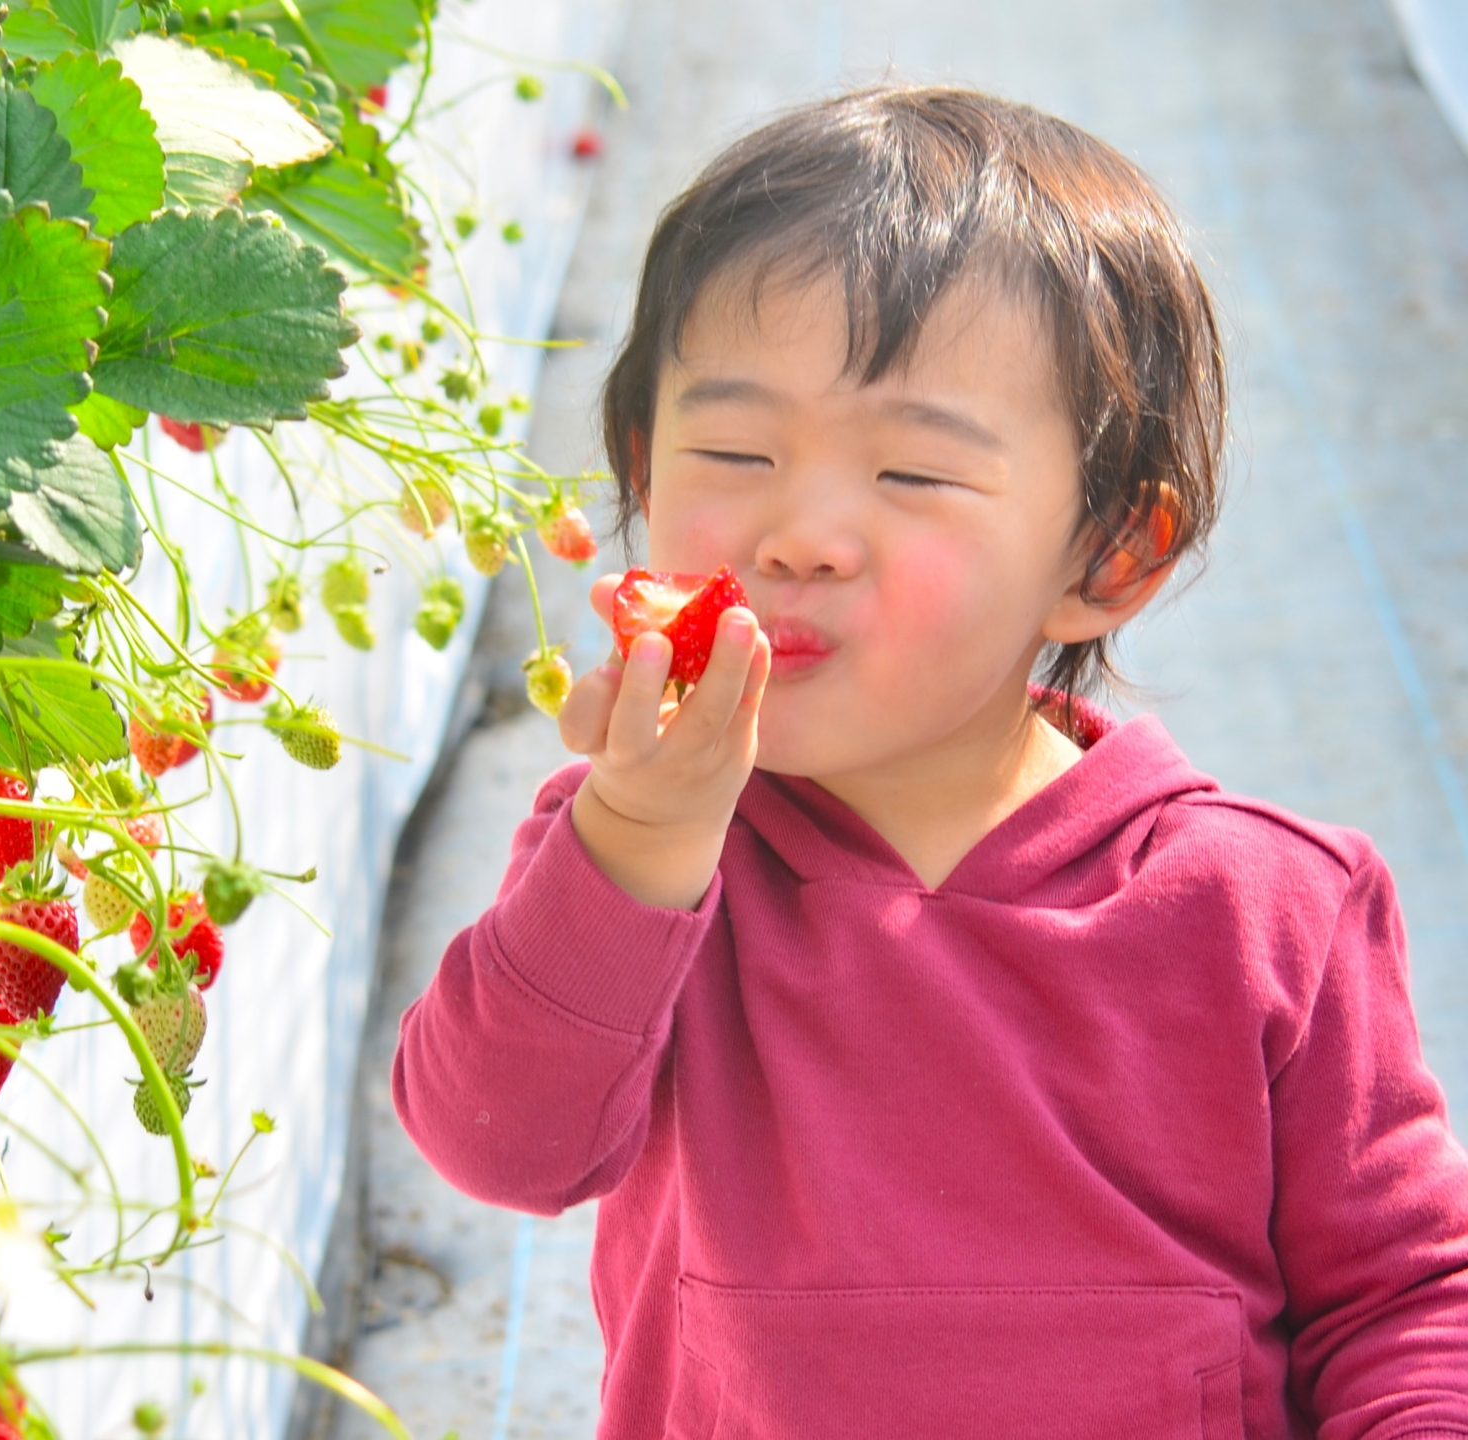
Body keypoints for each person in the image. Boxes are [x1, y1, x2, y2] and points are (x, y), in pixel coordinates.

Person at [390, 86, 1468, 1436]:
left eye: (912, 475)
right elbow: (495, 1145)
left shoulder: (1264, 909)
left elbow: (1402, 1300)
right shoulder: (644, 862)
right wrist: (641, 837)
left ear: (1108, 555)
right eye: (734, 450)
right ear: (641, 472)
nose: (800, 536)